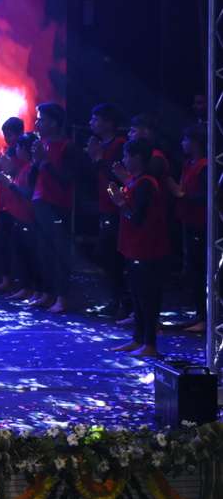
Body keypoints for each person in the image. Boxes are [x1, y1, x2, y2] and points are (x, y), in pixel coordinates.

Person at [108, 139, 169, 357]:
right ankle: (138, 339)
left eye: (127, 155)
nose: (124, 160)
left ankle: (149, 343)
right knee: (136, 295)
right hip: (134, 246)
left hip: (146, 248)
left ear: (137, 157)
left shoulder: (146, 183)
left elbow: (137, 218)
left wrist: (120, 203)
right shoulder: (136, 181)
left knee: (147, 297)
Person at [30, 102, 79, 313]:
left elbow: (67, 179)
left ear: (54, 123)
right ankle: (46, 293)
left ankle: (62, 297)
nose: (37, 124)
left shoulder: (67, 147)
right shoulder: (42, 144)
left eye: (41, 120)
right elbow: (36, 177)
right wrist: (35, 162)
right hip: (40, 203)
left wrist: (44, 162)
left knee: (59, 253)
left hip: (58, 205)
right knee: (43, 251)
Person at [86, 103, 130, 319]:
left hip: (118, 207)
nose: (91, 123)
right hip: (105, 205)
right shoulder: (100, 145)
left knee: (112, 255)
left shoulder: (120, 145)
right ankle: (116, 300)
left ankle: (124, 302)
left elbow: (118, 175)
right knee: (107, 255)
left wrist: (98, 158)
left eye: (96, 119)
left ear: (109, 122)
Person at [0, 117, 26, 296]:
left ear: (19, 133)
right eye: (5, 134)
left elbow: (22, 175)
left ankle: (24, 284)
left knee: (20, 246)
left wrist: (9, 168)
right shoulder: (4, 151)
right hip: (3, 203)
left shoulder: (24, 152)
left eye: (10, 134)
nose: (7, 138)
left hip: (19, 204)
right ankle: (6, 280)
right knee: (2, 244)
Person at [176, 124, 207, 333]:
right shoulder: (188, 164)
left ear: (195, 142)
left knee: (199, 270)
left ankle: (204, 316)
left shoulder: (204, 166)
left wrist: (183, 196)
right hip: (188, 221)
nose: (182, 143)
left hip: (200, 223)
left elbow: (206, 196)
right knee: (192, 270)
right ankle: (199, 313)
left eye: (186, 140)